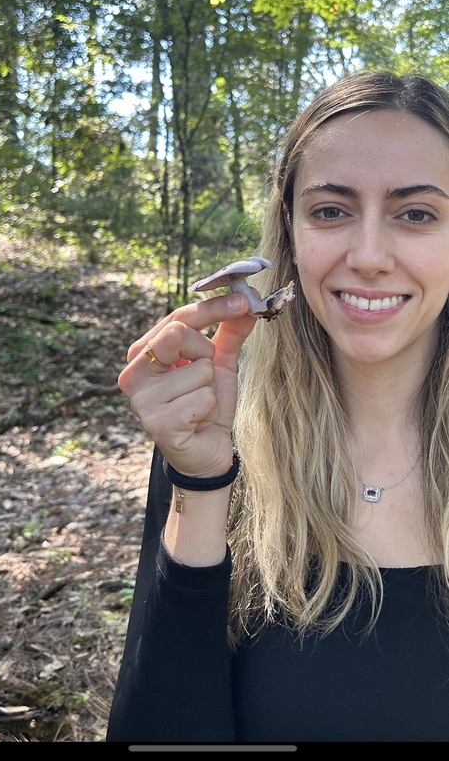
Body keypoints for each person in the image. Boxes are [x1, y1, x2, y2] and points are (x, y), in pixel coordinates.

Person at [106, 69, 449, 744]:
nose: (369, 255)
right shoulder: (222, 441)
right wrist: (202, 484)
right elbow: (160, 732)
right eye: (330, 210)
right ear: (288, 234)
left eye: (417, 213)